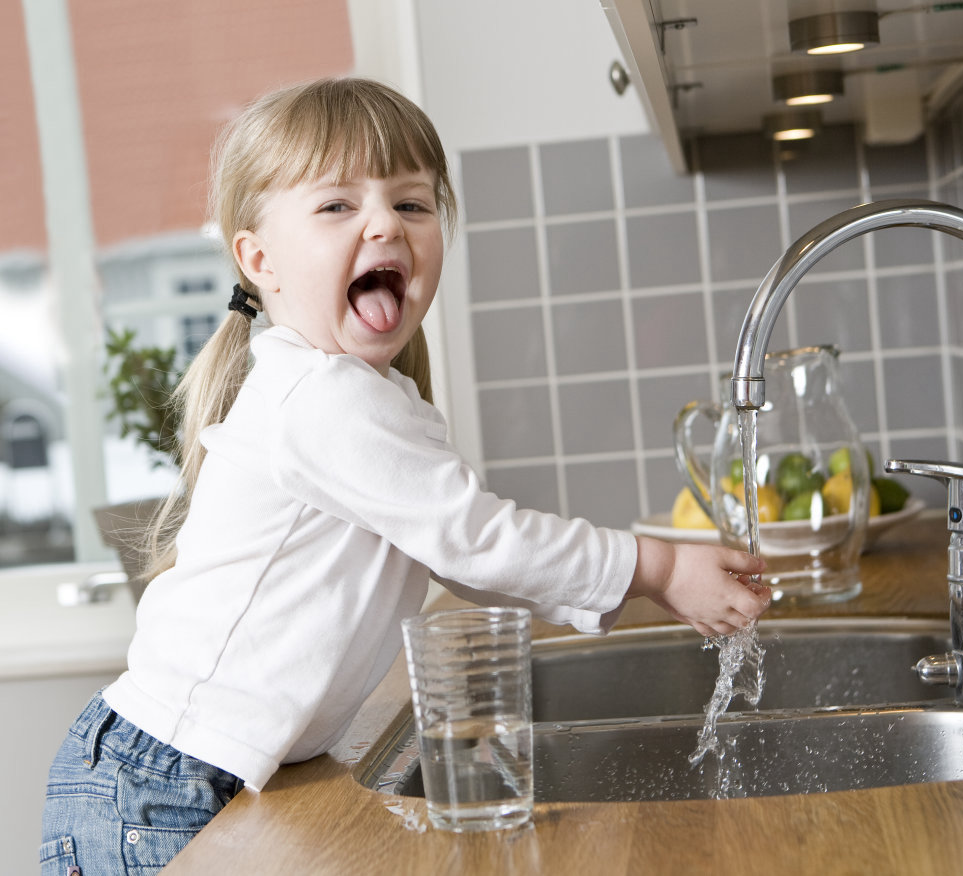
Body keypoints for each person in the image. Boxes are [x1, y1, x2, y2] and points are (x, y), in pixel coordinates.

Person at [40, 77, 769, 874]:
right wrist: (656, 566)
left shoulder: (361, 397)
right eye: (337, 206)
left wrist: (639, 578)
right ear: (259, 260)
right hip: (161, 783)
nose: (385, 224)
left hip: (182, 775)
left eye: (413, 205)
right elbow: (478, 539)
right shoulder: (320, 398)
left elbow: (472, 551)